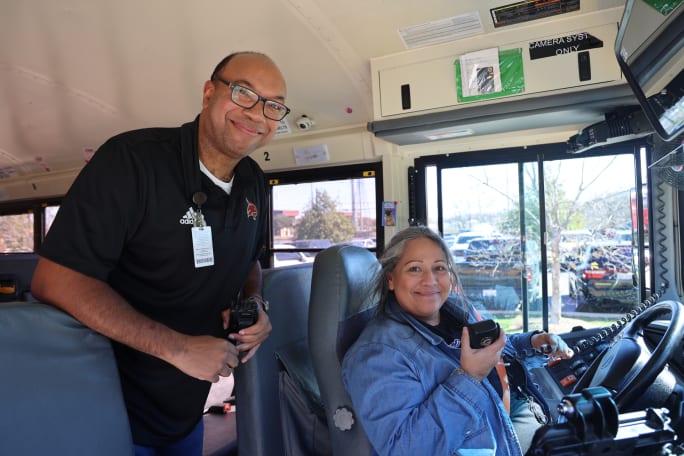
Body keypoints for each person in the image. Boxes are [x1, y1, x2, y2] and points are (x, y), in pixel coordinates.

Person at [30, 51, 288, 455]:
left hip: (184, 413)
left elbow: (250, 260)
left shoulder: (253, 181)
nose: (257, 113)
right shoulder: (132, 161)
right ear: (208, 93)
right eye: (243, 94)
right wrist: (179, 349)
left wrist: (254, 300)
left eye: (273, 105)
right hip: (105, 413)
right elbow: (55, 279)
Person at [342, 226, 573, 456]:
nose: (430, 280)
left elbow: (490, 353)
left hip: (513, 419)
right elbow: (406, 448)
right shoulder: (376, 356)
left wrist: (533, 343)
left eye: (439, 268)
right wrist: (469, 378)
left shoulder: (457, 311)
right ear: (391, 279)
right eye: (414, 269)